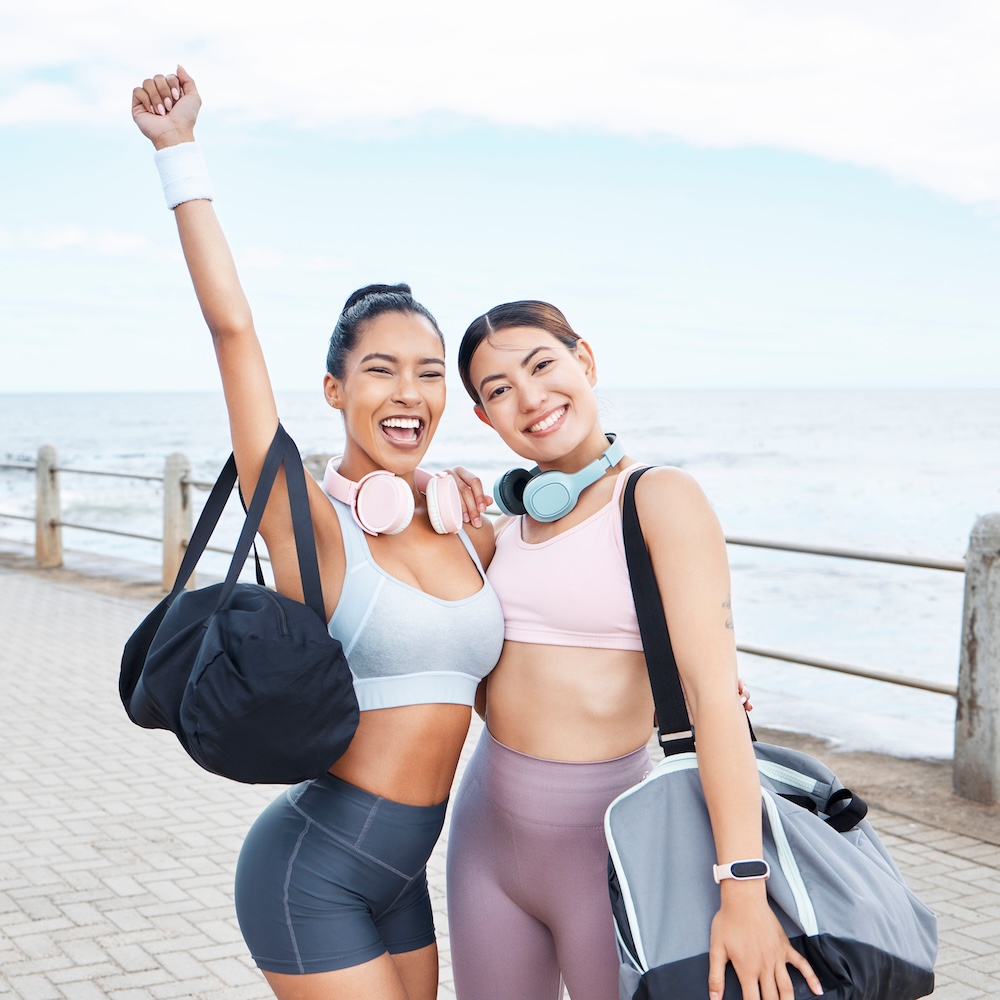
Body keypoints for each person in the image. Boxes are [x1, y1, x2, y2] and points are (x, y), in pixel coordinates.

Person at [130, 68, 504, 1000]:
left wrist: (693, 676)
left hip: (401, 876)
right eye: (379, 370)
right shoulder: (313, 521)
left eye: (426, 372)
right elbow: (232, 330)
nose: (407, 393)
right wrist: (179, 153)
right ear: (336, 390)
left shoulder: (469, 531)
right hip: (309, 870)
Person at [446, 301, 823, 1000]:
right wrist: (428, 491)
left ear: (583, 361)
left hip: (610, 850)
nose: (529, 399)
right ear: (483, 417)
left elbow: (716, 701)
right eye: (498, 389)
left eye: (542, 365)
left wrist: (743, 889)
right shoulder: (508, 527)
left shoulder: (659, 498)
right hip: (485, 841)